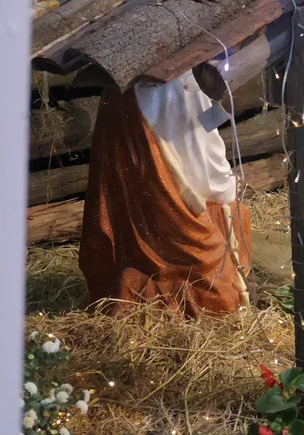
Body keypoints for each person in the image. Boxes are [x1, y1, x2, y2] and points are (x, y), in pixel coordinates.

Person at [79, 68, 251, 317]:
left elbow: (199, 129)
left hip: (127, 230)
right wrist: (229, 184)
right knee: (222, 295)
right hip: (172, 217)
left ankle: (134, 283)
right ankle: (145, 291)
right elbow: (202, 163)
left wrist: (218, 107)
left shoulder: (116, 90)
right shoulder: (178, 86)